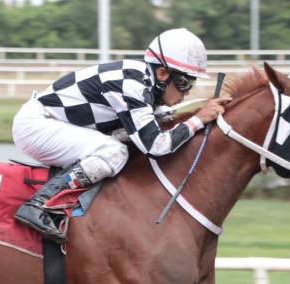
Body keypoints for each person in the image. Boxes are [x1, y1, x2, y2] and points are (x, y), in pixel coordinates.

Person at [12, 27, 232, 242]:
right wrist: (199, 119)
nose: (187, 92)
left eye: (192, 83)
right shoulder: (132, 84)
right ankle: (39, 204)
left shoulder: (143, 79)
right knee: (114, 152)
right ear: (162, 73)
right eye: (184, 83)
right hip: (36, 126)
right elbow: (156, 146)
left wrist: (200, 112)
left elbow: (161, 118)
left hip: (56, 123)